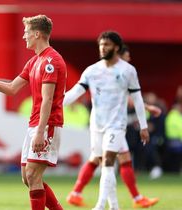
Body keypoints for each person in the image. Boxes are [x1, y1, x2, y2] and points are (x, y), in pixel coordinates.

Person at [63, 31, 150, 210]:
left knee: (109, 161)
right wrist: (53, 103)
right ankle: (115, 206)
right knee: (104, 164)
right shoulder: (92, 70)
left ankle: (100, 206)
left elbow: (138, 99)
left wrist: (144, 125)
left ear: (116, 47)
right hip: (97, 124)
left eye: (107, 45)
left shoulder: (128, 71)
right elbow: (75, 92)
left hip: (117, 124)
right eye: (101, 45)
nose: (103, 48)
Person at [0, 14, 66, 210]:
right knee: (27, 177)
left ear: (37, 34)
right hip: (35, 124)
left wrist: (40, 131)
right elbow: (12, 88)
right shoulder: (34, 62)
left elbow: (48, 99)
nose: (24, 36)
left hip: (47, 124)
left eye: (27, 32)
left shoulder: (51, 61)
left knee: (32, 175)